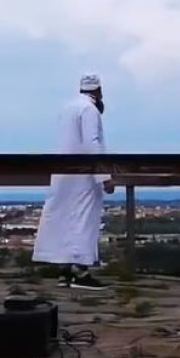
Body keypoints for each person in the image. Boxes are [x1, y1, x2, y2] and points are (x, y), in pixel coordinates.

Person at [32, 73, 115, 290]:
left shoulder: (68, 108)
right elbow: (92, 142)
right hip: (83, 174)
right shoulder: (89, 110)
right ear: (98, 91)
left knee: (63, 218)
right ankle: (81, 271)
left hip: (63, 172)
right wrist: (104, 176)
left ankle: (64, 271)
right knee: (83, 220)